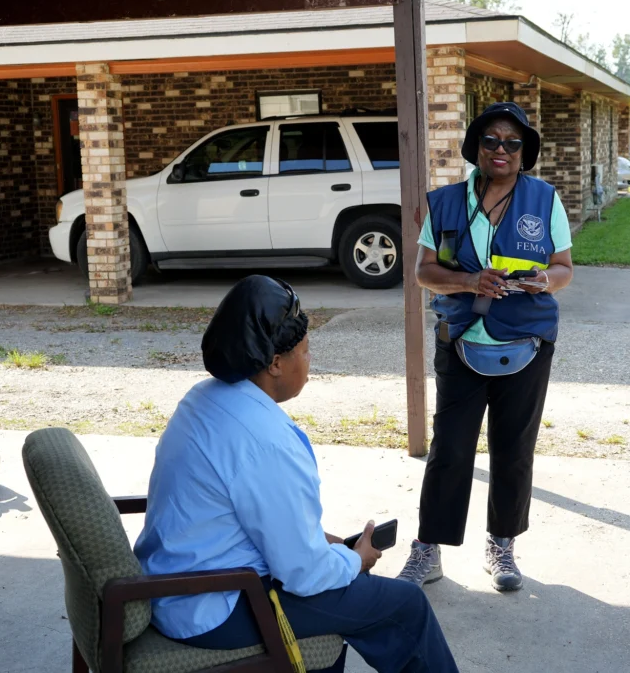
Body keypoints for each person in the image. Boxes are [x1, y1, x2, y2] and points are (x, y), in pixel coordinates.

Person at [133, 275, 458, 673]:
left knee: (349, 600)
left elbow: (243, 513)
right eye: (304, 351)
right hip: (212, 606)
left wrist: (321, 542)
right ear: (274, 364)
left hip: (178, 583)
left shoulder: (203, 399)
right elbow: (304, 574)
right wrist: (355, 561)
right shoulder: (265, 441)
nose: (309, 362)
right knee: (405, 607)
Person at [394, 102, 574, 593]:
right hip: (460, 339)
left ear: (523, 153)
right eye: (491, 141)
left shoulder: (544, 200)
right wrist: (471, 281)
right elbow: (424, 272)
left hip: (527, 341)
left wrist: (544, 280)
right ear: (475, 148)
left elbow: (564, 267)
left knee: (514, 450)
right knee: (450, 449)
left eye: (512, 143)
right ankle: (428, 548)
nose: (501, 150)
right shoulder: (444, 202)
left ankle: (502, 545)